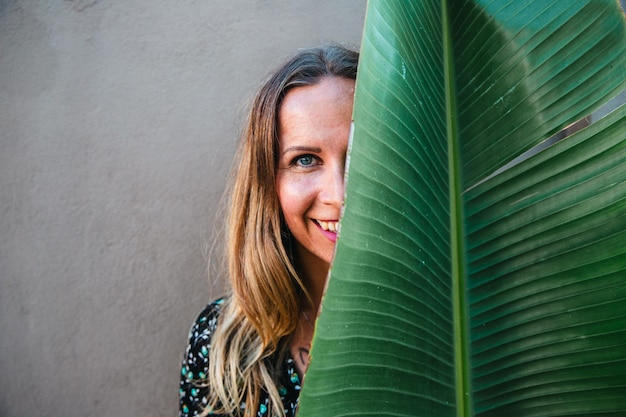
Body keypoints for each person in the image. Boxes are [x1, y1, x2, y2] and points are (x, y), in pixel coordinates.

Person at [179, 44, 359, 417]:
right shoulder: (221, 345)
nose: (340, 195)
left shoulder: (455, 325)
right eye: (305, 160)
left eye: (360, 154)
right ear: (268, 184)